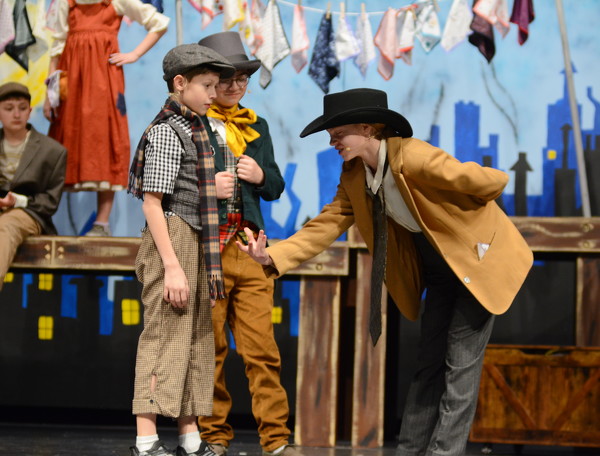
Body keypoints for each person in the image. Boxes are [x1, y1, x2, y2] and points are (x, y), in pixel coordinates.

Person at [238, 88, 534, 456]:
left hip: (475, 264)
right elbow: (326, 224)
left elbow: (488, 181)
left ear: (368, 128)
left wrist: (476, 228)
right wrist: (271, 256)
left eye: (339, 134)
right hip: (439, 270)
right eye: (330, 136)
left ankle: (444, 453)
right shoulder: (355, 175)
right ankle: (410, 450)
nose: (332, 142)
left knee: (460, 365)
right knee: (429, 364)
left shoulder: (414, 156)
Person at [127, 44, 235, 456]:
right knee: (163, 338)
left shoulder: (196, 130)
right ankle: (146, 441)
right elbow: (153, 203)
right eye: (206, 85)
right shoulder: (167, 131)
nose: (213, 94)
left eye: (215, 85)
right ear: (180, 83)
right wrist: (172, 266)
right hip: (172, 237)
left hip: (195, 239)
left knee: (194, 339)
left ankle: (190, 440)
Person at [196, 32, 293, 456]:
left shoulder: (257, 126)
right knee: (211, 349)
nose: (236, 86)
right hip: (209, 249)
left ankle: (276, 439)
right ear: (208, 80)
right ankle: (213, 436)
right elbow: (169, 187)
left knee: (261, 351)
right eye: (226, 78)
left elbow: (275, 186)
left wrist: (260, 176)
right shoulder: (193, 124)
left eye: (242, 78)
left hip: (249, 245)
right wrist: (207, 187)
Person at [44, 0, 169, 237]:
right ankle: (44, 216)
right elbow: (57, 47)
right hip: (72, 80)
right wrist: (50, 94)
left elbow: (159, 23)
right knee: (66, 138)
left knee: (105, 137)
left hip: (104, 80)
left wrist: (134, 54)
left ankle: (102, 222)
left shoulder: (116, 1)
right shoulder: (66, 3)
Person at [0, 82, 66, 290]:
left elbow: (50, 202)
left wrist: (17, 201)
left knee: (6, 225)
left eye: (22, 108)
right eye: (9, 108)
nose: (16, 114)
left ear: (29, 111)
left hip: (29, 214)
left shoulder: (52, 151)